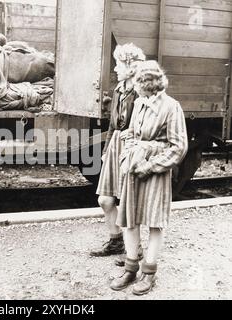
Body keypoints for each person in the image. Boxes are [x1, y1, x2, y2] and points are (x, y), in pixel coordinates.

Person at [110, 60, 188, 295]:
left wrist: (150, 164)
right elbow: (131, 133)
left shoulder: (171, 107)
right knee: (130, 220)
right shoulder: (141, 103)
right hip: (135, 167)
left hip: (155, 171)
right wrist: (130, 154)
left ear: (151, 85)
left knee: (154, 224)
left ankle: (149, 273)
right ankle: (130, 268)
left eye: (141, 87)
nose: (138, 92)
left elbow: (178, 147)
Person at [90, 44, 145, 258]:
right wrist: (106, 150)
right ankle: (116, 243)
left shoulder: (140, 92)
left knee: (128, 203)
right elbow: (113, 125)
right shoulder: (118, 89)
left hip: (131, 146)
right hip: (115, 145)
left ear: (130, 67)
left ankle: (135, 250)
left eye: (118, 65)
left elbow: (144, 124)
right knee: (105, 200)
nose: (115, 69)